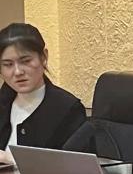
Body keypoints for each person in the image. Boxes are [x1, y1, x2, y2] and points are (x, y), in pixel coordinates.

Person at [0, 23, 86, 163]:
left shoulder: (67, 109)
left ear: (44, 57)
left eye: (26, 61)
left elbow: (75, 166)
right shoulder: (4, 100)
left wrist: (7, 158)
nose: (18, 72)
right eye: (8, 64)